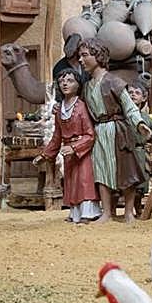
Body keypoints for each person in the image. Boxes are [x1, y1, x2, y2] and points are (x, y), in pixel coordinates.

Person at [76, 38, 151, 224]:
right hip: (99, 131)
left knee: (126, 170)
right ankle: (107, 212)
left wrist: (139, 123)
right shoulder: (87, 87)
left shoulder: (114, 82)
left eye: (85, 55)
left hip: (117, 131)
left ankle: (128, 212)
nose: (81, 60)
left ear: (98, 56)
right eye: (80, 56)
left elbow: (129, 106)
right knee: (101, 170)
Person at [34, 68, 100, 223]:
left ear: (78, 84)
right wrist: (44, 155)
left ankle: (89, 213)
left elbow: (90, 135)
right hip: (67, 153)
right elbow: (57, 136)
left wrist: (75, 147)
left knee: (84, 181)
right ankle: (75, 213)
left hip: (81, 153)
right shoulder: (59, 109)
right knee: (71, 182)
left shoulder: (82, 107)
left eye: (70, 81)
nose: (65, 84)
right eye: (62, 81)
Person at [125, 80, 152, 213]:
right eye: (130, 92)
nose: (133, 95)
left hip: (140, 155)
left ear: (144, 97)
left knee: (140, 185)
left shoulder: (146, 118)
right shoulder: (120, 116)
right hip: (124, 153)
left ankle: (138, 208)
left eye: (137, 93)